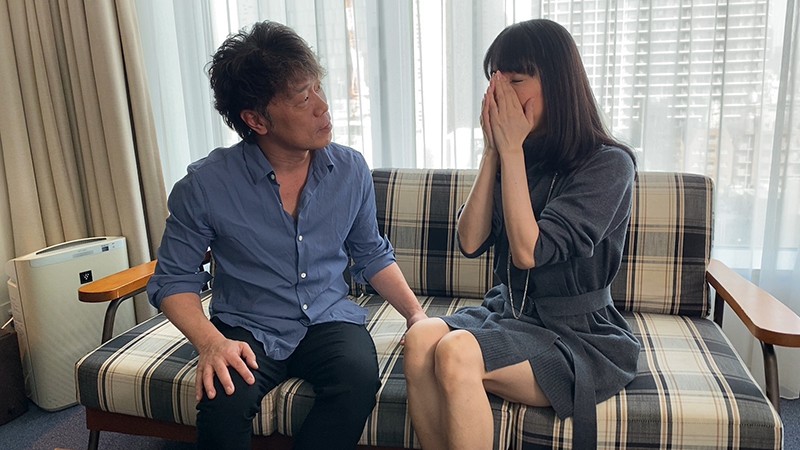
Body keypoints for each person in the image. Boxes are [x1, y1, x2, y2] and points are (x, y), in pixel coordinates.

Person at [146, 21, 427, 450]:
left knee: (356, 378)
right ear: (256, 119)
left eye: (318, 88)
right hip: (247, 323)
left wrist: (415, 314)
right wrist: (211, 343)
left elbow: (371, 253)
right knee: (223, 402)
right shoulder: (205, 186)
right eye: (303, 98)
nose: (323, 107)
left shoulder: (350, 170)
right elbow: (172, 281)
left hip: (328, 318)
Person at [403, 19, 640, 450]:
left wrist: (511, 150)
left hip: (578, 334)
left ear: (558, 84)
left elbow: (529, 251)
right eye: (495, 81)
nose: (501, 95)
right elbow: (470, 240)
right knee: (420, 338)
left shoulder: (609, 165)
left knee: (455, 352)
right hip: (511, 314)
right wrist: (493, 151)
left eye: (515, 81)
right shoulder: (519, 155)